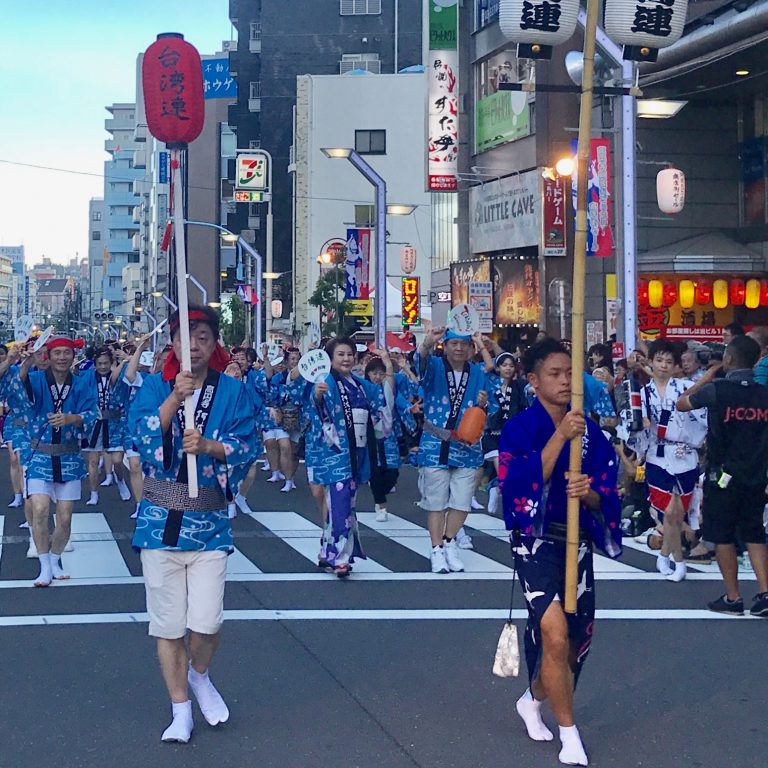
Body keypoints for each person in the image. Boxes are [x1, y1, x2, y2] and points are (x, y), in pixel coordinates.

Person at [129, 306, 256, 743]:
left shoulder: (234, 392)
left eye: (204, 337)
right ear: (175, 344)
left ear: (214, 343)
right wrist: (172, 400)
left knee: (206, 623)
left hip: (210, 522)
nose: (195, 345)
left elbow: (248, 443)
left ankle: (200, 675)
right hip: (159, 523)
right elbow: (140, 441)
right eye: (188, 337)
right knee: (167, 626)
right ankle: (180, 708)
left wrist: (209, 446)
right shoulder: (154, 386)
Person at [498, 338, 622, 767]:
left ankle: (532, 698)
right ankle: (570, 734)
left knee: (571, 645)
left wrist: (589, 495)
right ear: (533, 381)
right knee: (553, 632)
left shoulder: (590, 432)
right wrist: (559, 438)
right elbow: (513, 485)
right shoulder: (520, 427)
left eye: (570, 372)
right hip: (534, 540)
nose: (565, 380)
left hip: (576, 540)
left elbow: (609, 488)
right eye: (554, 373)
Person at [676, 334, 768, 617]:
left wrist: (709, 376)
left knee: (723, 535)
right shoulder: (764, 394)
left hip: (722, 475)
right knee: (754, 532)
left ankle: (733, 597)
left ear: (728, 359)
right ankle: (765, 594)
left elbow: (682, 403)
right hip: (755, 474)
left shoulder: (718, 390)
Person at [288, 338, 392, 577]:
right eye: (340, 355)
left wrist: (388, 368)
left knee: (343, 503)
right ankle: (339, 557)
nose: (346, 359)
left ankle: (327, 550)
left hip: (356, 449)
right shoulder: (324, 381)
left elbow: (381, 402)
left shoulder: (360, 384)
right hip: (332, 451)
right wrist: (316, 396)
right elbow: (303, 403)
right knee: (341, 501)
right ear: (330, 359)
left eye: (349, 354)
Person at [0, 336, 97, 587]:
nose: (62, 357)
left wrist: (72, 418)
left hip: (69, 456)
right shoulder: (36, 379)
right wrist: (19, 363)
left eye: (67, 353)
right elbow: (15, 391)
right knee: (41, 509)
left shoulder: (82, 384)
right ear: (49, 356)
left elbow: (92, 413)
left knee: (64, 518)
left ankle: (55, 558)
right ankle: (44, 565)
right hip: (40, 454)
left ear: (73, 356)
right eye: (57, 353)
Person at [415, 327, 491, 574]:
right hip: (435, 443)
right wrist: (426, 343)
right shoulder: (435, 367)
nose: (459, 348)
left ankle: (449, 542)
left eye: (464, 344)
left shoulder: (478, 373)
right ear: (445, 346)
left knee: (462, 502)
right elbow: (421, 365)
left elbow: (494, 404)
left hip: (466, 445)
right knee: (436, 503)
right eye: (453, 343)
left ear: (471, 348)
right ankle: (436, 549)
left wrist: (484, 404)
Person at [641, 340, 707, 582]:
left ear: (676, 365)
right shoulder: (642, 392)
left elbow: (703, 418)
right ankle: (679, 563)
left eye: (669, 361)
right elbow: (634, 426)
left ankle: (665, 553)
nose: (664, 365)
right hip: (657, 455)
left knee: (677, 512)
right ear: (650, 362)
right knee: (669, 510)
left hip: (685, 454)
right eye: (659, 360)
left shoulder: (686, 387)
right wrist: (641, 426)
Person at [364, 355, 417, 522]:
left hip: (389, 436)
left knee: (392, 472)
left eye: (381, 373)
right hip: (369, 437)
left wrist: (388, 363)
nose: (377, 377)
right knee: (376, 472)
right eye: (373, 373)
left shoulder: (389, 390)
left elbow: (400, 397)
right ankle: (381, 505)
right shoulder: (362, 389)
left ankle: (380, 493)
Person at [82, 346, 131, 505]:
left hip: (115, 423)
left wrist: (124, 361)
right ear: (94, 364)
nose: (102, 366)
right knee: (93, 461)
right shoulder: (87, 377)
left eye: (106, 363)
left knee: (117, 460)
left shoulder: (120, 375)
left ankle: (121, 481)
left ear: (111, 363)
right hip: (94, 424)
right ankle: (94, 494)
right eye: (99, 363)